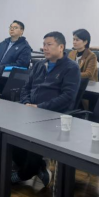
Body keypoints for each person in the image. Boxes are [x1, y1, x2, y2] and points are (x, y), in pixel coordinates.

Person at [13, 32, 81, 187]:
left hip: (53, 115)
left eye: (49, 45)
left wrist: (40, 107)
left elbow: (67, 97)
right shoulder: (39, 64)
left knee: (33, 138)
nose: (45, 48)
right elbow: (26, 88)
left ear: (61, 47)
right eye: (44, 44)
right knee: (10, 133)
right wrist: (26, 103)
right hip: (31, 110)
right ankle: (39, 167)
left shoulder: (71, 68)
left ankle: (25, 174)